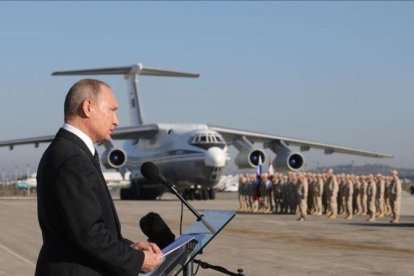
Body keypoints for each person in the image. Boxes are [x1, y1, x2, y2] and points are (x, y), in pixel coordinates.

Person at [35, 79, 162, 276]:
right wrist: (137, 261)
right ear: (88, 107)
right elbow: (89, 234)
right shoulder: (72, 158)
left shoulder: (69, 151)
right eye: (112, 110)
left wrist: (130, 248)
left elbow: (86, 229)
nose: (116, 120)